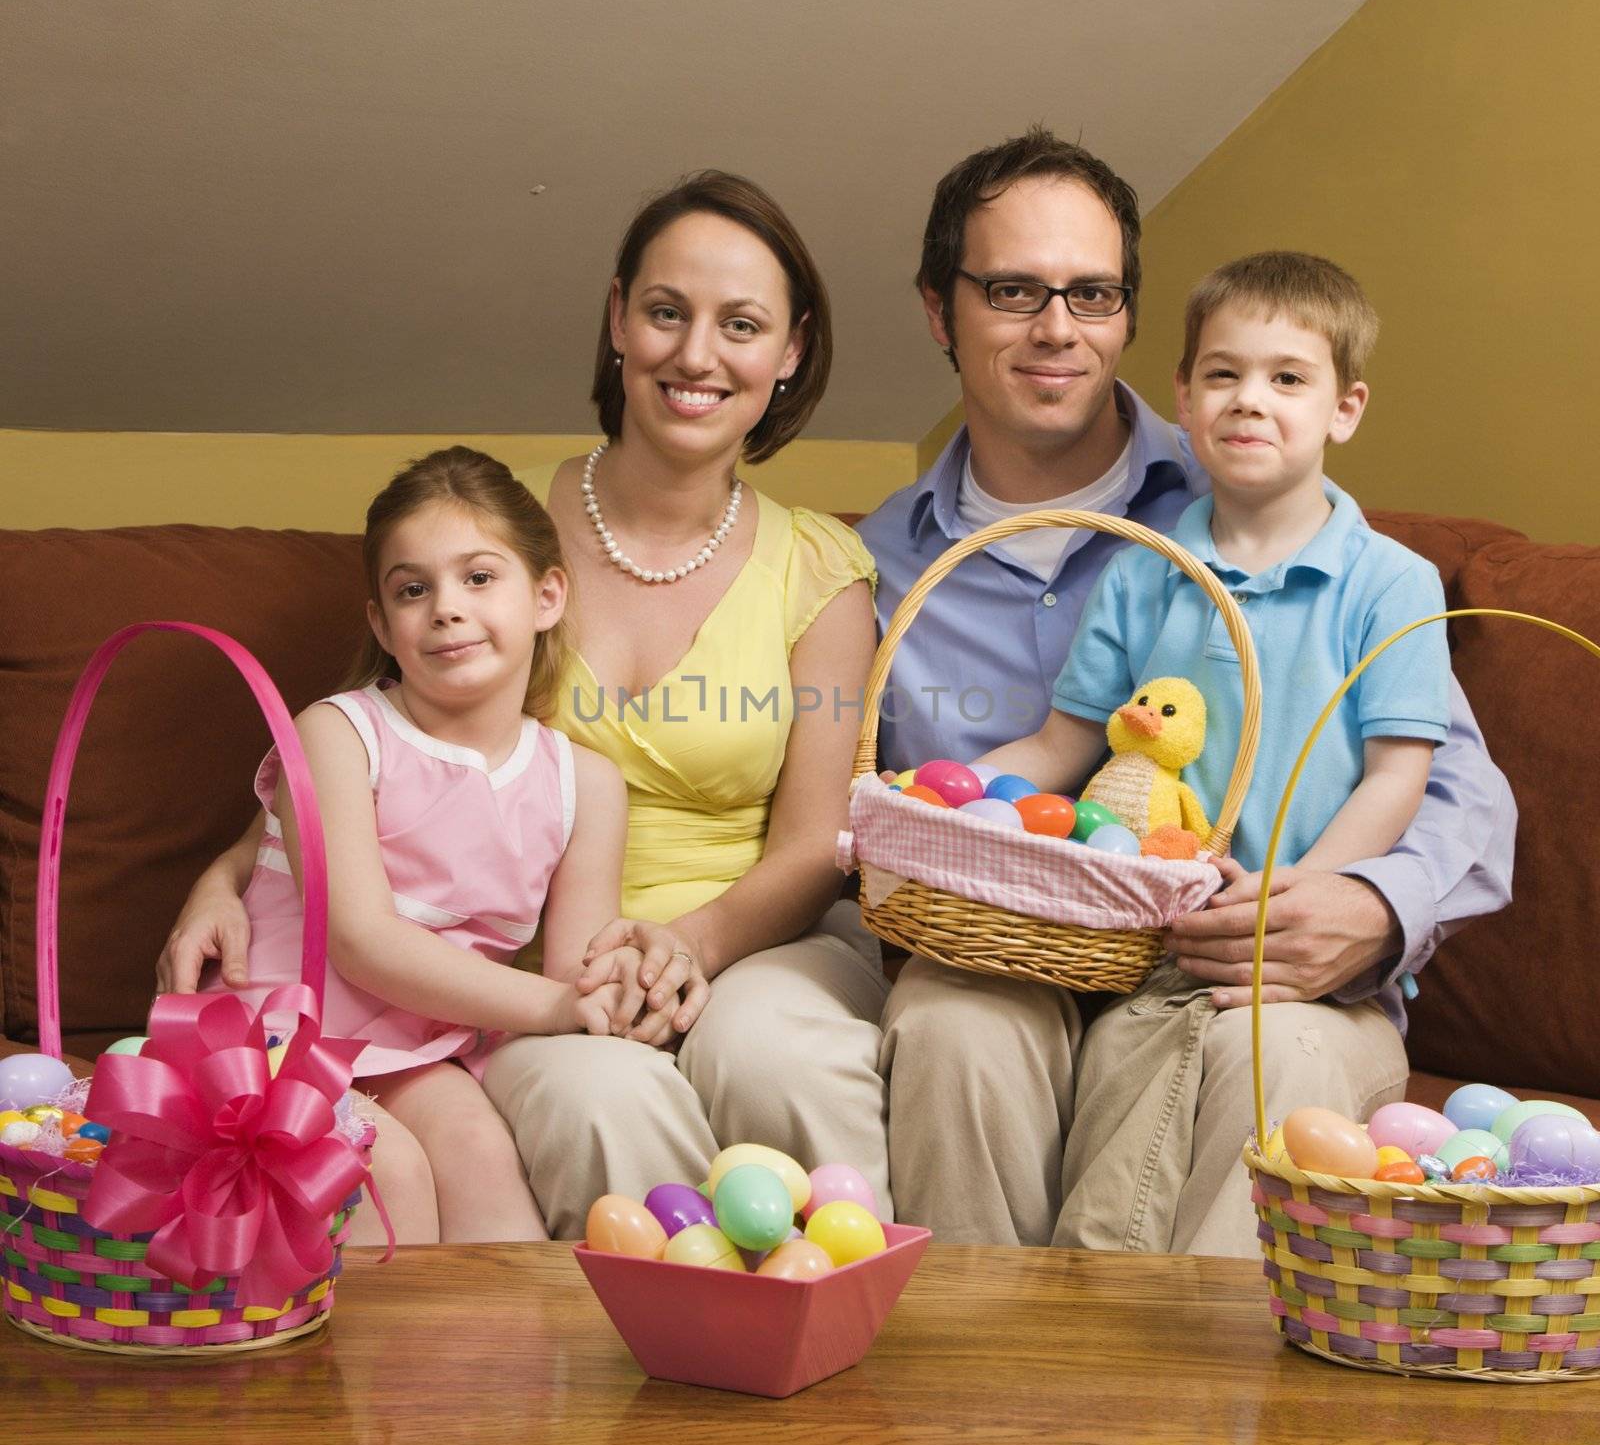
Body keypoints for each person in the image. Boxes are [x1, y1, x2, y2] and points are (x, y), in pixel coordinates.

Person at [162, 172, 887, 1237]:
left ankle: (842, 1310)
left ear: (788, 352)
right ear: (616, 320)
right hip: (525, 967)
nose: (696, 355)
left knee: (772, 1056)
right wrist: (222, 875)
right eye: (664, 312)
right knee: (596, 1096)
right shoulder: (486, 533)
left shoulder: (825, 566)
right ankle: (654, 1360)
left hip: (753, 939)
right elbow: (371, 739)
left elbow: (818, 839)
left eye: (740, 325)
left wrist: (682, 944)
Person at [858, 128, 1515, 1254]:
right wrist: (917, 804)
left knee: (1267, 1053)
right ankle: (978, 1384)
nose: (1055, 327)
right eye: (1014, 290)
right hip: (1048, 949)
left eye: (1092, 292)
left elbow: (1450, 792)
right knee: (952, 1025)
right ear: (940, 309)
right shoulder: (876, 569)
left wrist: (1352, 903)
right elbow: (1055, 745)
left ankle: (1186, 1410)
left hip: (1249, 946)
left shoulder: (1337, 555)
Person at [199, 446, 633, 1244]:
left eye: (478, 577)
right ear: (381, 624)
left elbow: (581, 969)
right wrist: (557, 1004)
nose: (446, 608)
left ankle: (517, 1367)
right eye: (412, 589)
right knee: (383, 1164)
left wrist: (615, 985)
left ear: (545, 595)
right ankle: (379, 1370)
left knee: (479, 1152)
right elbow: (361, 942)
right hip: (278, 1038)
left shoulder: (587, 785)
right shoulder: (336, 734)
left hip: (419, 1049)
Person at [984, 250, 1449, 926]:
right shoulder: (1137, 572)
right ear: (1186, 396)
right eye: (1223, 374)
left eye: (1288, 378)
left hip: (1289, 937)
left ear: (1343, 410)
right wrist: (948, 794)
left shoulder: (1394, 584)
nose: (1248, 400)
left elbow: (1397, 777)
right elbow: (1060, 746)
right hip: (1140, 931)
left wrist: (1288, 896)